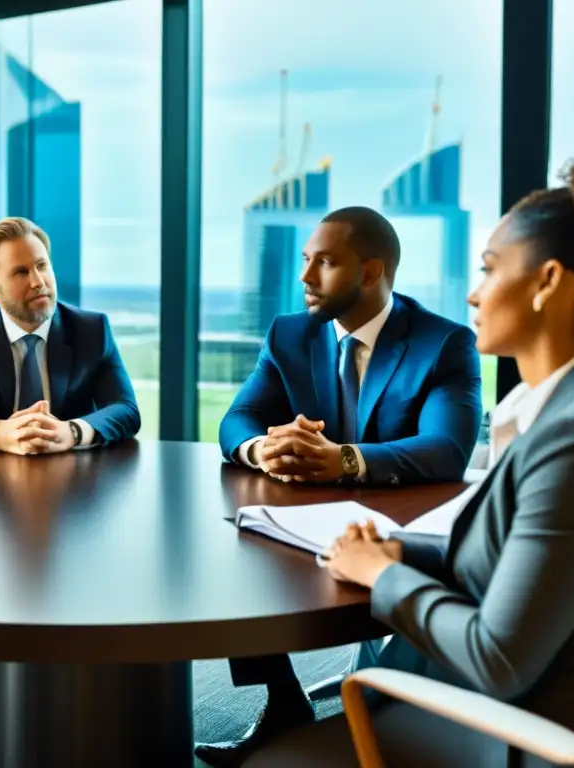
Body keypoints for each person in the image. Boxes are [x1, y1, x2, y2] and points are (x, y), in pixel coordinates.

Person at [243, 141, 574, 767]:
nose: (474, 295)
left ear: (548, 282)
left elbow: (498, 659)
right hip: (491, 697)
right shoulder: (562, 409)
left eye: (491, 269)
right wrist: (397, 549)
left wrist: (380, 574)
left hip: (504, 732)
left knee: (271, 763)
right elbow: (520, 556)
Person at [198, 207, 483, 766]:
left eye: (324, 263)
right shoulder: (289, 333)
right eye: (305, 260)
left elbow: (448, 450)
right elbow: (238, 419)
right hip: (310, 512)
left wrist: (343, 460)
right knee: (244, 548)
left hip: (402, 521)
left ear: (371, 272)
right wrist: (266, 447)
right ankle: (282, 700)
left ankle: (384, 722)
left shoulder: (442, 342)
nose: (305, 277)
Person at [0, 216, 140, 453]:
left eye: (42, 266)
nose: (37, 281)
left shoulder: (92, 330)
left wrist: (72, 432)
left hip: (73, 477)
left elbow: (126, 409)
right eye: (21, 272)